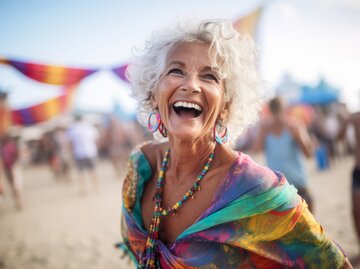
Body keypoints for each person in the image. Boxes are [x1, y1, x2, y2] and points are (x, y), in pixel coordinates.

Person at [118, 19, 352, 268]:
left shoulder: (255, 188)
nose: (191, 85)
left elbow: (334, 264)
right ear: (154, 93)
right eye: (176, 71)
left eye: (209, 76)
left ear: (225, 106)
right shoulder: (141, 167)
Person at [252, 96, 314, 212]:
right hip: (295, 182)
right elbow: (308, 154)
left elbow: (255, 150)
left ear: (270, 110)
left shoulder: (267, 127)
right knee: (308, 224)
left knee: (286, 227)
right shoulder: (293, 125)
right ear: (284, 109)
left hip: (278, 184)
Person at [338, 109, 360, 264]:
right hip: (358, 169)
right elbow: (339, 138)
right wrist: (345, 122)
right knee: (356, 211)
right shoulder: (355, 117)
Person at [67, 115, 99, 194]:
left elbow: (70, 143)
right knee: (93, 170)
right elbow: (96, 139)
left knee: (81, 172)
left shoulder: (73, 129)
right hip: (91, 151)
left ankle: (83, 189)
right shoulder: (89, 127)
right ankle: (96, 187)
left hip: (79, 153)